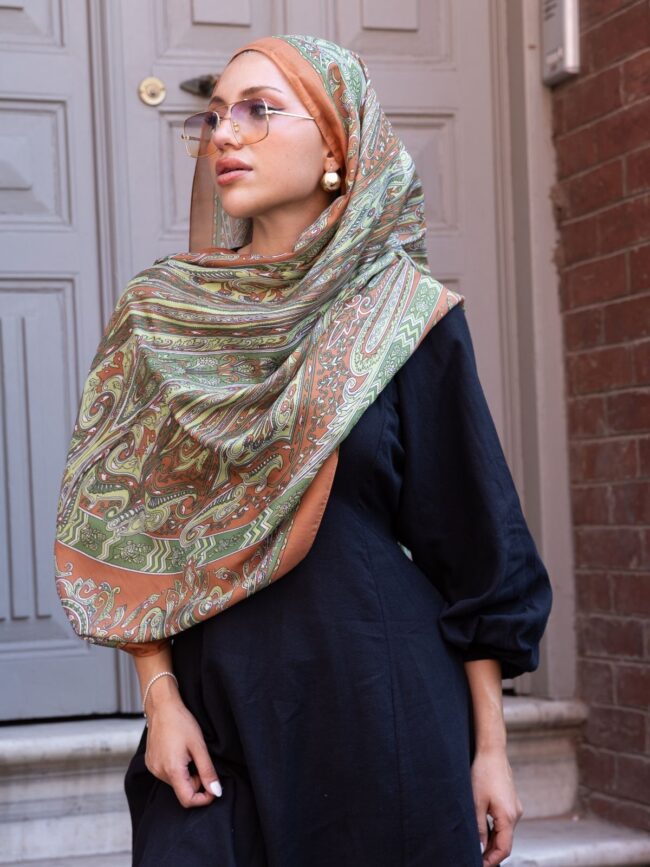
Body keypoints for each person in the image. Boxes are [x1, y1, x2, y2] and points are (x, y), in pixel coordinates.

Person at [54, 35, 553, 867]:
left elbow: (476, 545)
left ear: (335, 144)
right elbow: (132, 526)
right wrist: (159, 698)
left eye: (258, 110)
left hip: (382, 712)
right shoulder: (165, 318)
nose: (224, 133)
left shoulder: (403, 315)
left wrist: (491, 750)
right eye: (216, 115)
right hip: (215, 717)